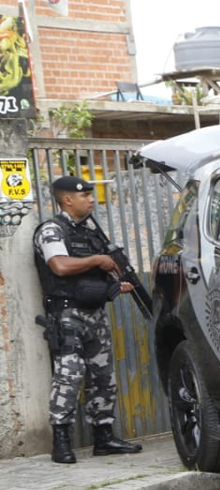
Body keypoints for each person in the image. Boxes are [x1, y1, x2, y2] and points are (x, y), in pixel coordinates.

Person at [33, 175, 142, 464]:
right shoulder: (52, 230)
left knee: (103, 377)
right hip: (67, 315)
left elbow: (96, 277)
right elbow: (59, 265)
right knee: (68, 376)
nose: (91, 199)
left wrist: (117, 285)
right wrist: (96, 260)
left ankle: (103, 438)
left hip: (95, 313)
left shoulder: (92, 233)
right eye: (85, 196)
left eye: (91, 195)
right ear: (67, 199)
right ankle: (61, 440)